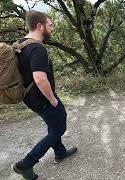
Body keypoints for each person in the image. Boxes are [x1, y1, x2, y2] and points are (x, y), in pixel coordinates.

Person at [12, 11, 77, 180]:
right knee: (59, 127)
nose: (52, 28)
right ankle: (25, 164)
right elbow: (40, 79)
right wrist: (52, 99)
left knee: (53, 124)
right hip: (42, 98)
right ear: (40, 26)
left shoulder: (20, 44)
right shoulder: (37, 48)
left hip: (29, 97)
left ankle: (60, 152)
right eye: (50, 25)